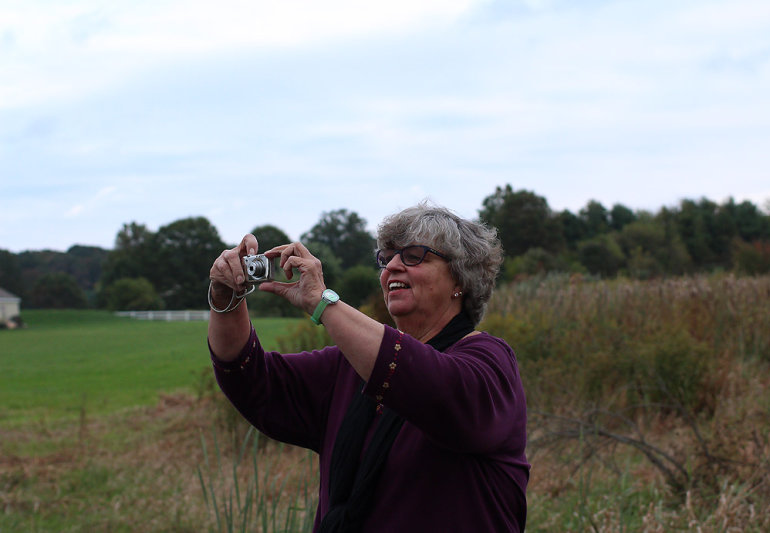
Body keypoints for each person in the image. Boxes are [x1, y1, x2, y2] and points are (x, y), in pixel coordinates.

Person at [207, 203, 530, 532]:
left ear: (460, 278)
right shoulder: (349, 366)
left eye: (413, 255)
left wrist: (323, 301)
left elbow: (431, 387)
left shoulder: (490, 361)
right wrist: (226, 299)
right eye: (386, 258)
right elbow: (252, 380)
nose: (392, 266)